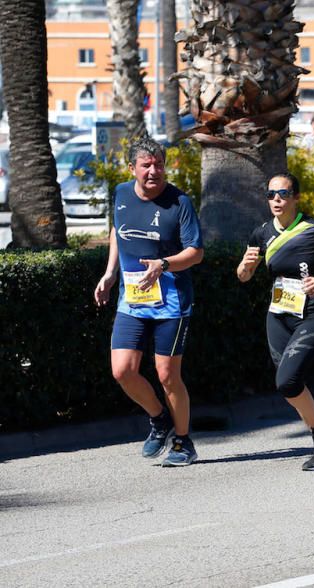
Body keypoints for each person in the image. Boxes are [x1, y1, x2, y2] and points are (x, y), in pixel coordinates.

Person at [236, 172, 314, 470]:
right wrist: (245, 266)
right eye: (270, 194)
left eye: (282, 193)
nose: (276, 199)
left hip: (312, 314)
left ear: (296, 197)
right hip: (278, 315)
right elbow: (243, 276)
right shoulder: (261, 233)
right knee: (290, 385)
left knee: (288, 380)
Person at [93, 137, 204, 467]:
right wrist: (110, 273)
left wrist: (164, 264)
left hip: (172, 301)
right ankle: (159, 419)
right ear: (132, 169)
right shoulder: (122, 194)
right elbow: (117, 231)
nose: (154, 170)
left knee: (167, 375)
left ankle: (183, 443)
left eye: (158, 164)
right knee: (122, 371)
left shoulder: (179, 202)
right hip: (132, 299)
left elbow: (196, 253)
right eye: (146, 165)